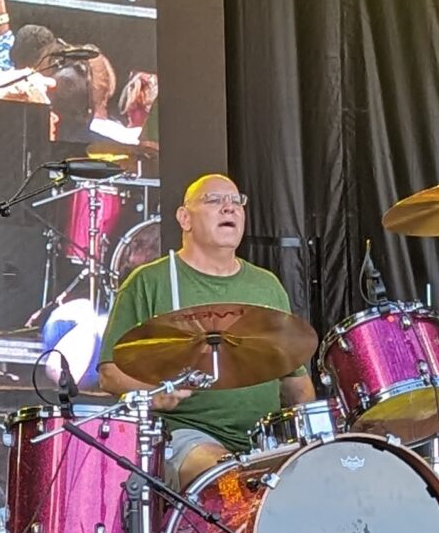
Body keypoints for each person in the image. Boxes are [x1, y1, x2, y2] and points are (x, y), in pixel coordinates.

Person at [96, 175, 314, 489]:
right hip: (185, 437)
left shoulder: (267, 285)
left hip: (264, 441)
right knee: (229, 486)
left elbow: (296, 384)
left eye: (236, 201)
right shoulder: (149, 282)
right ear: (184, 218)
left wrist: (315, 444)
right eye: (214, 200)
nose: (229, 208)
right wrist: (153, 395)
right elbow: (109, 373)